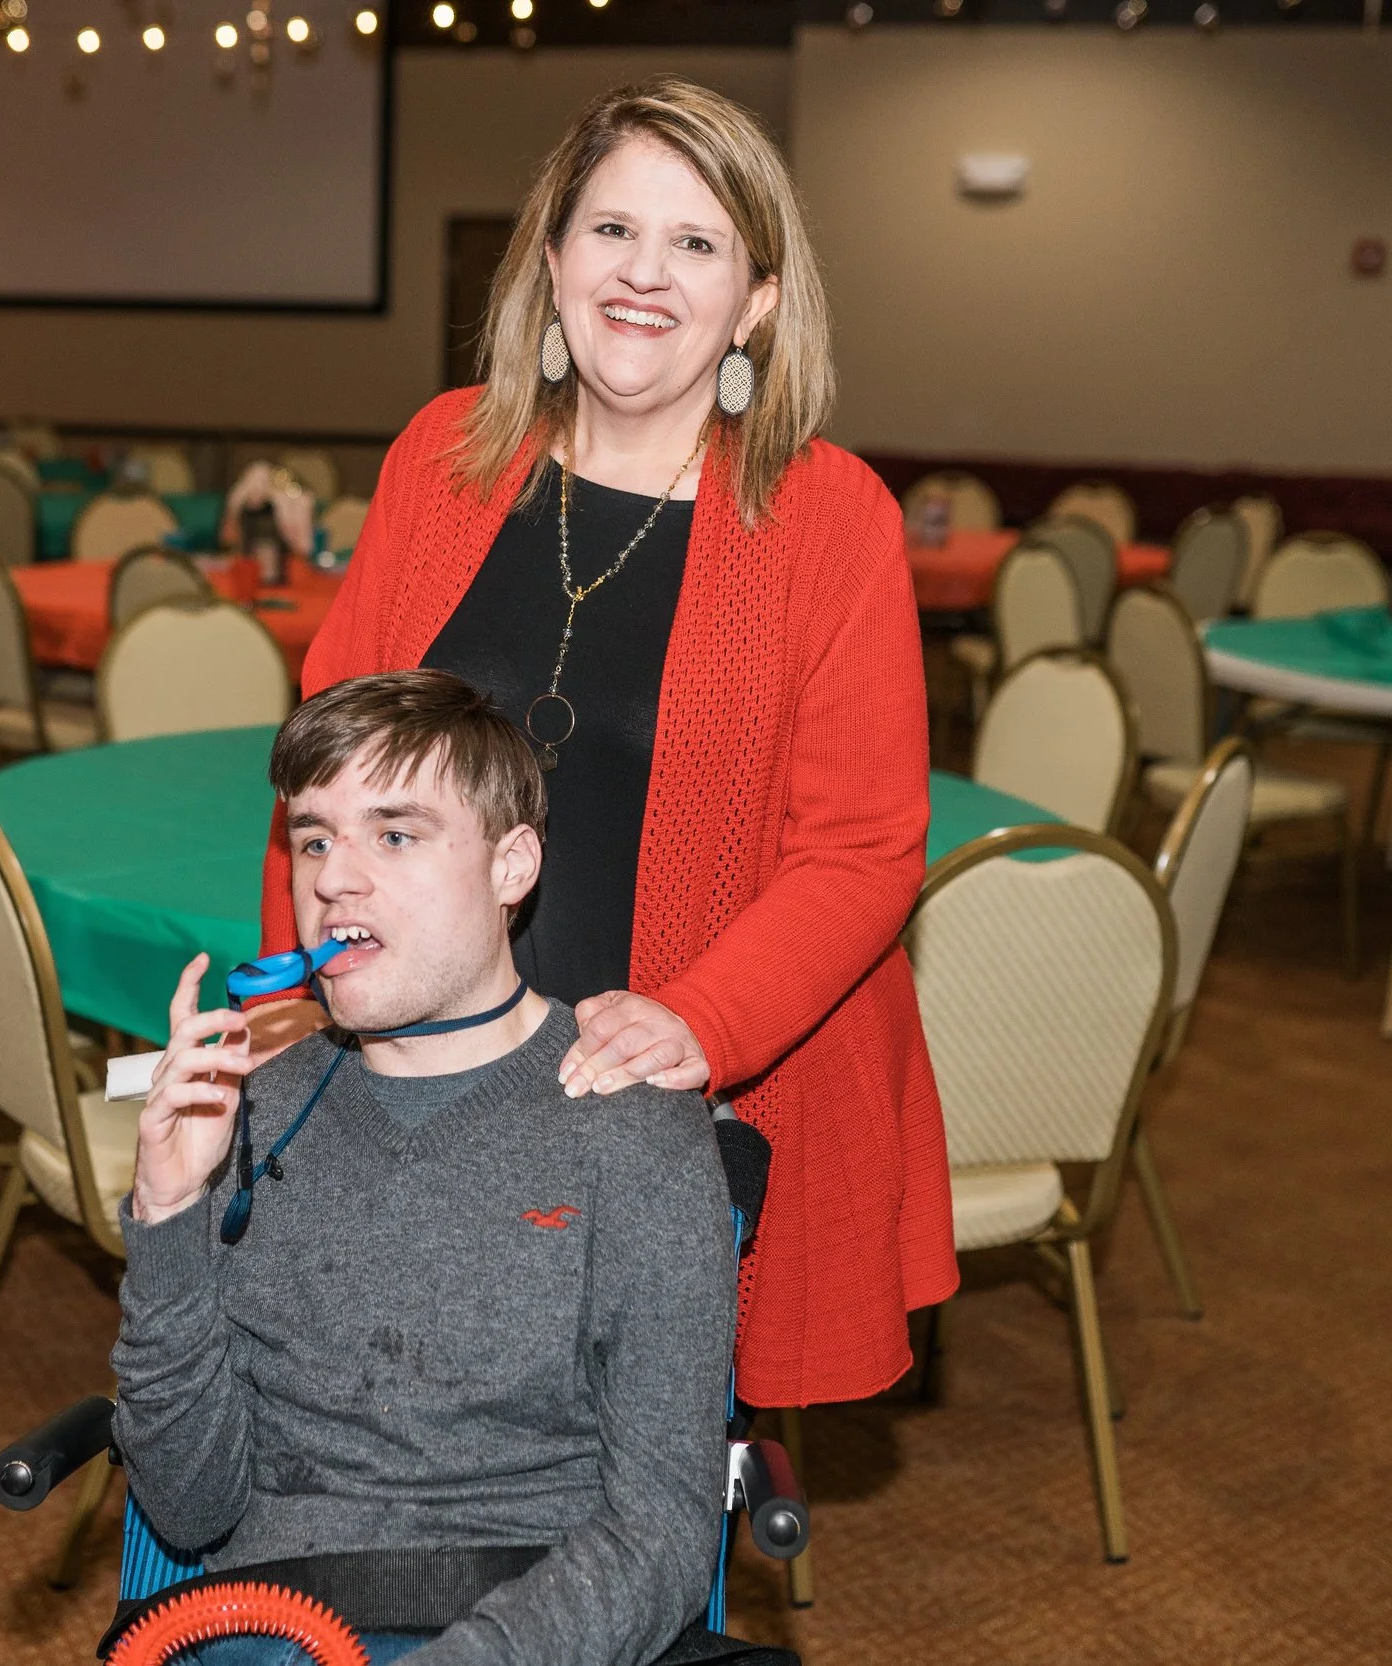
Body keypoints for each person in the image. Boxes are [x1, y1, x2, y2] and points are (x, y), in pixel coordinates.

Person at [261, 77, 954, 1409]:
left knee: (643, 1480)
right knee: (395, 1433)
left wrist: (703, 1019)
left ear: (755, 301)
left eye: (695, 243)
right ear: (553, 258)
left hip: (681, 1092)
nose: (644, 274)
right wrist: (303, 997)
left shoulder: (831, 519)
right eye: (612, 230)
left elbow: (863, 848)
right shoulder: (441, 458)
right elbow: (323, 778)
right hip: (435, 1064)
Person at [118, 671, 737, 1666]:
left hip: (536, 1625)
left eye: (395, 835)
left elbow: (662, 1534)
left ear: (510, 866)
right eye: (314, 840)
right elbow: (189, 1508)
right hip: (269, 1624)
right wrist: (168, 1214)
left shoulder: (633, 1130)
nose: (334, 879)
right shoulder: (248, 1111)